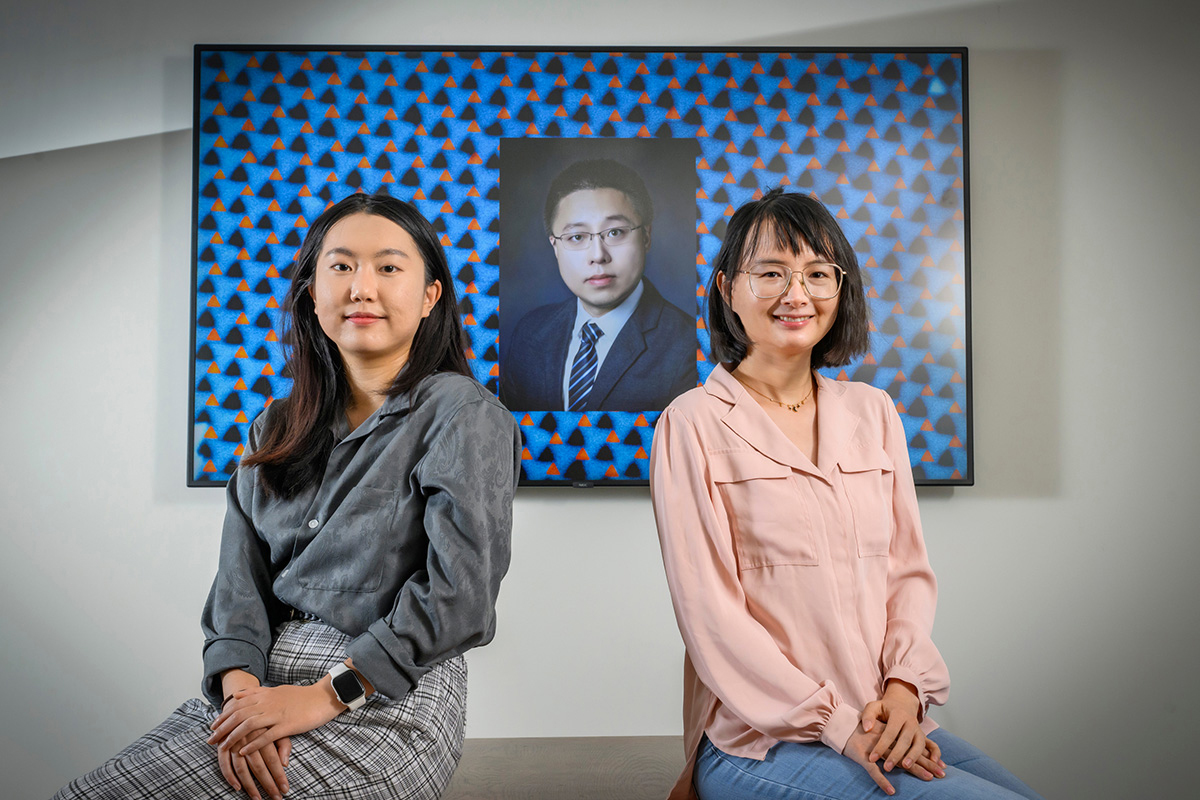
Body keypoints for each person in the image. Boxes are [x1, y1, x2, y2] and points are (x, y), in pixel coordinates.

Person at [54, 193, 521, 800]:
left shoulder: (462, 415)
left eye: (388, 266)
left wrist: (326, 696)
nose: (361, 287)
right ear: (310, 291)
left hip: (384, 695)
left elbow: (462, 599)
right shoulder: (275, 427)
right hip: (260, 689)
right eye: (341, 265)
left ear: (430, 296)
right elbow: (237, 588)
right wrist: (243, 695)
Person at [649, 188, 1044, 800]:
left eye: (817, 274)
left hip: (878, 716)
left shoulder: (874, 412)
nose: (796, 294)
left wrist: (906, 691)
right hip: (760, 739)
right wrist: (834, 724)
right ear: (727, 289)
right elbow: (712, 620)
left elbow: (906, 577)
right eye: (771, 273)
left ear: (842, 288)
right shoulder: (692, 422)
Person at [500, 158, 697, 411]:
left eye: (615, 232)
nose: (598, 255)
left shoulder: (690, 348)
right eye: (577, 237)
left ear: (646, 236)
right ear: (555, 246)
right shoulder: (530, 333)